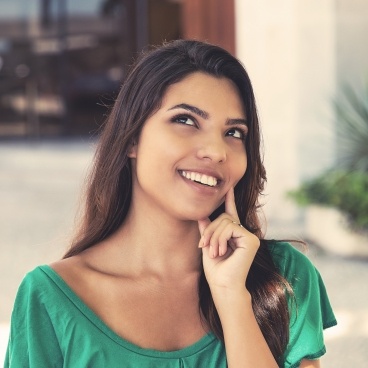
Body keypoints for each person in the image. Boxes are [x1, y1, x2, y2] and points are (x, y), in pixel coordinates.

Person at [5, 40, 337, 368]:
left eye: (234, 133)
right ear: (132, 138)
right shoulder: (50, 298)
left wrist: (233, 299)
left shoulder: (284, 278)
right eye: (186, 121)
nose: (216, 151)